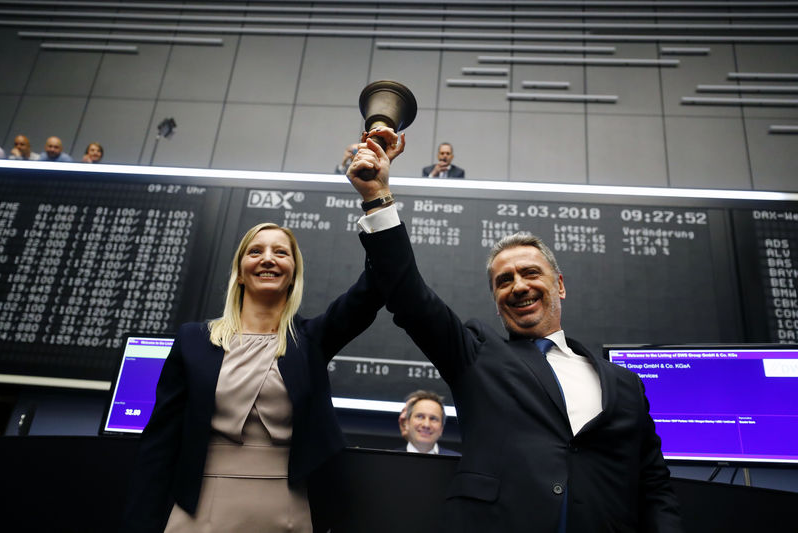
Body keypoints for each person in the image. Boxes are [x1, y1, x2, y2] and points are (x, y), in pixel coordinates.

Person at [347, 129, 683, 533]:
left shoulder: (625, 385)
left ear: (559, 284)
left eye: (529, 273)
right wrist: (378, 196)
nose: (518, 286)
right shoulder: (477, 356)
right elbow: (410, 297)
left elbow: (654, 487)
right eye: (503, 281)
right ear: (496, 299)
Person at [120, 222, 385, 533]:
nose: (268, 258)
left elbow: (378, 283)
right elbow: (159, 445)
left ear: (294, 274)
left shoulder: (312, 340)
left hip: (288, 510)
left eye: (281, 253)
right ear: (240, 272)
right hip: (199, 511)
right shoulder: (193, 340)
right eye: (256, 251)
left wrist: (377, 202)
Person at [399, 390, 460, 456]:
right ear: (407, 423)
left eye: (433, 418)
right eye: (420, 416)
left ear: (441, 428)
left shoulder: (458, 461)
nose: (426, 425)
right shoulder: (389, 459)